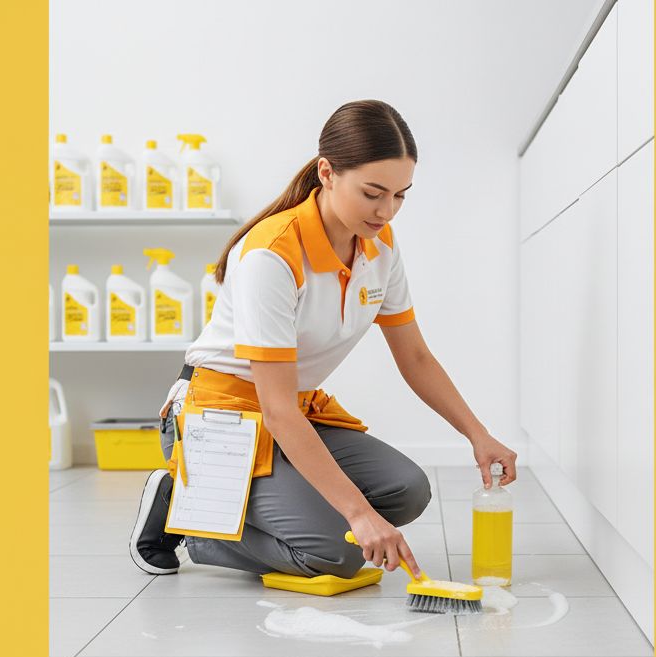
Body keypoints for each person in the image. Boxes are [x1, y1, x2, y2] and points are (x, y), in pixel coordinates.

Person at [129, 99, 518, 580]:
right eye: (373, 193)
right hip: (221, 416)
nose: (387, 211)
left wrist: (478, 435)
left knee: (407, 490)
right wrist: (356, 515)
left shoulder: (379, 246)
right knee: (338, 553)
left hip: (292, 409)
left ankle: (260, 506)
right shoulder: (273, 256)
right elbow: (276, 410)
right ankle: (191, 519)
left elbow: (414, 356)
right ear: (327, 172)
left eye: (400, 195)